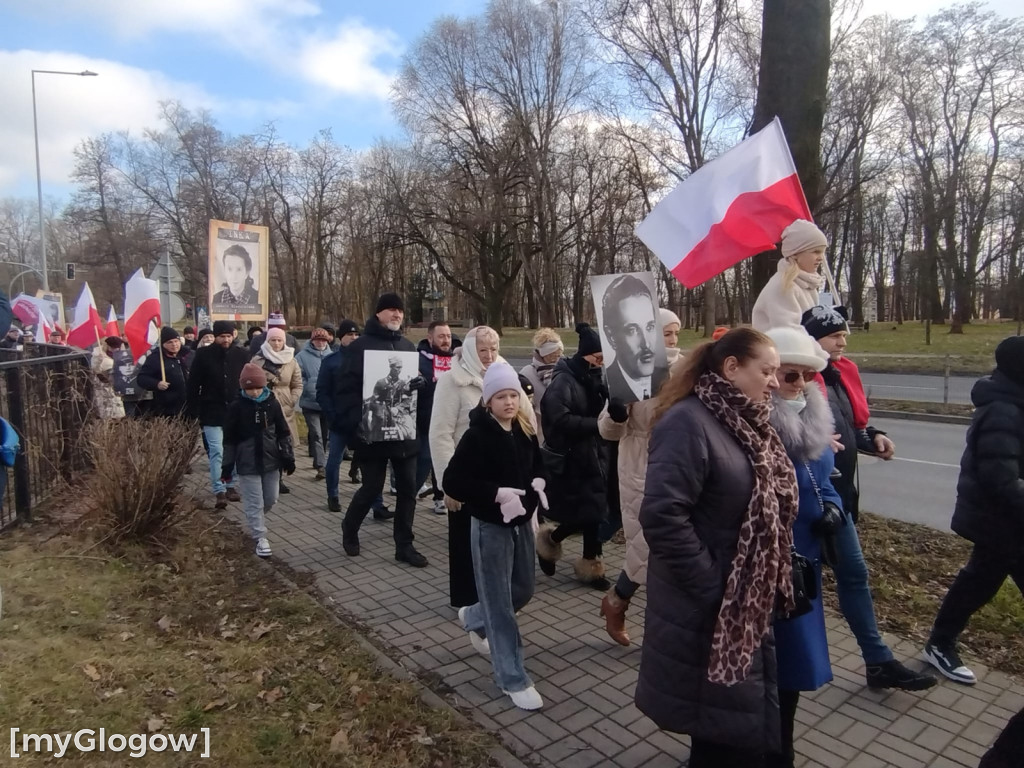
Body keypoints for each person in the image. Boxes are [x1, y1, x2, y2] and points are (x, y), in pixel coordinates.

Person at [635, 327, 795, 767]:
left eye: (778, 372)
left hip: (744, 601)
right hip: (712, 604)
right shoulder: (688, 421)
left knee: (728, 726)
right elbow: (663, 517)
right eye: (766, 371)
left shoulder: (749, 420)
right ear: (731, 367)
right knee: (722, 731)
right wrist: (714, 587)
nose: (774, 382)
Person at [801, 304, 935, 691]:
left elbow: (848, 428)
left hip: (837, 498)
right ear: (811, 340)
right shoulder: (795, 380)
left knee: (854, 575)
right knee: (799, 586)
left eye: (843, 333)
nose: (843, 340)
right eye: (834, 335)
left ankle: (877, 662)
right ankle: (781, 667)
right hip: (804, 502)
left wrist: (872, 437)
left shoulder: (838, 377)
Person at [443, 363, 548, 711]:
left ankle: (474, 616)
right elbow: (453, 482)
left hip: (521, 523)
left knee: (523, 590)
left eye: (513, 395)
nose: (509, 402)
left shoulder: (524, 428)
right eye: (501, 396)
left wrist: (538, 483)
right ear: (488, 401)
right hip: (489, 527)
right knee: (501, 606)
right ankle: (512, 677)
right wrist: (495, 494)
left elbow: (537, 464)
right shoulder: (477, 436)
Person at [923, 336, 1024, 686]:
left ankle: (939, 642)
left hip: (1007, 524)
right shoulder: (1004, 410)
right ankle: (939, 643)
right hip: (1002, 522)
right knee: (977, 582)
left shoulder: (1014, 403)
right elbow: (1001, 477)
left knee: (978, 582)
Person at [763, 327, 838, 768]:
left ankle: (781, 747)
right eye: (789, 375)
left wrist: (832, 508)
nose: (798, 384)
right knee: (763, 665)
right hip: (767, 558)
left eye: (806, 376)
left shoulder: (815, 415)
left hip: (804, 559)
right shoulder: (756, 424)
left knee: (792, 663)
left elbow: (826, 480)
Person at [596, 310, 686, 645]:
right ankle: (659, 635)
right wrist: (617, 411)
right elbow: (607, 430)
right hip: (639, 465)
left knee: (658, 549)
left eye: (675, 333)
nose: (673, 341)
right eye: (666, 334)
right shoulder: (629, 369)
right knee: (648, 547)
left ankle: (616, 601)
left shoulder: (688, 369)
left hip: (679, 463)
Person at [338, 293, 428, 568]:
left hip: (404, 434)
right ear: (378, 314)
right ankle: (350, 527)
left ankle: (404, 545)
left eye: (400, 311)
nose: (396, 315)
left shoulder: (407, 347)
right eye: (391, 310)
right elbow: (347, 392)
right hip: (373, 434)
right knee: (371, 487)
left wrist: (419, 386)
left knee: (408, 490)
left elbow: (413, 390)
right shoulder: (360, 347)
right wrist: (356, 426)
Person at [430, 326, 509, 607]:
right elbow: (440, 434)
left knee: (499, 544)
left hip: (500, 477)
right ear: (472, 351)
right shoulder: (453, 381)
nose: (489, 356)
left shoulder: (505, 374)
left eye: (494, 349)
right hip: (466, 477)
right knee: (466, 543)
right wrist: (447, 483)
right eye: (482, 350)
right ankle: (467, 603)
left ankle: (499, 598)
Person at [536, 323, 611, 588]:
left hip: (596, 454)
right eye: (597, 356)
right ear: (585, 354)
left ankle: (591, 565)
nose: (600, 361)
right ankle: (551, 542)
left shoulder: (595, 375)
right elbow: (558, 418)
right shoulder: (564, 380)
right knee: (587, 513)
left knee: (596, 511)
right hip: (574, 458)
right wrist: (595, 425)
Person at [221, 363, 295, 558]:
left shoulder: (272, 403)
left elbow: (283, 432)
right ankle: (260, 537)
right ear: (242, 388)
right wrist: (227, 467)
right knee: (254, 502)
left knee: (270, 499)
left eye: (257, 387)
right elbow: (229, 440)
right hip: (247, 462)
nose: (254, 392)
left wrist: (288, 456)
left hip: (271, 460)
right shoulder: (236, 407)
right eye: (249, 388)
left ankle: (256, 520)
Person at [186, 320, 251, 509]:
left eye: (229, 336)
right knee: (217, 451)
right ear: (215, 337)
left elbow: (248, 383)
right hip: (211, 410)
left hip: (236, 410)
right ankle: (219, 489)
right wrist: (193, 410)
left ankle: (231, 485)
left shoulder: (242, 355)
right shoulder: (203, 355)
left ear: (234, 335)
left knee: (234, 450)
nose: (226, 339)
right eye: (222, 336)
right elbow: (193, 384)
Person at [318, 320, 377, 511]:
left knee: (371, 463)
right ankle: (332, 496)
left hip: (363, 420)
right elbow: (322, 391)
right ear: (340, 337)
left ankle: (376, 503)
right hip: (340, 420)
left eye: (356, 335)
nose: (353, 338)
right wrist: (332, 415)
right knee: (334, 460)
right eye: (349, 335)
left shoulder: (368, 359)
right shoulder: (331, 361)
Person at [601, 274, 667, 403]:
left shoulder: (667, 380)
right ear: (611, 336)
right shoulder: (603, 387)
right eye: (632, 330)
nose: (646, 344)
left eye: (650, 327)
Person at [752, 219, 828, 331]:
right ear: (796, 253)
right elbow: (790, 335)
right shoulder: (783, 286)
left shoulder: (806, 284)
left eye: (823, 252)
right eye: (816, 251)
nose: (821, 257)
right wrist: (821, 348)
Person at [417, 321, 460, 514]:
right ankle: (409, 492)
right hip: (425, 419)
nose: (446, 341)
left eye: (448, 336)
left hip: (451, 419)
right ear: (430, 338)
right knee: (425, 459)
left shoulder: (458, 361)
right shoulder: (420, 360)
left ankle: (440, 496)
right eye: (441, 336)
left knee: (446, 459)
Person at [250, 327, 302, 458]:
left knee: (285, 440)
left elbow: (297, 384)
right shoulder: (257, 360)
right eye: (273, 340)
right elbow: (249, 382)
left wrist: (292, 400)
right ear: (268, 341)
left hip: (285, 405)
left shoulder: (291, 361)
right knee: (268, 440)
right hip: (264, 403)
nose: (277, 343)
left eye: (279, 340)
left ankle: (282, 469)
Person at [297, 327, 333, 481]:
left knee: (325, 435)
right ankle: (321, 466)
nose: (320, 342)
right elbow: (298, 377)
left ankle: (319, 459)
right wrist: (310, 385)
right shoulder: (301, 357)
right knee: (316, 434)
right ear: (312, 341)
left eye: (323, 340)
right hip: (309, 402)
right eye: (318, 339)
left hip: (327, 402)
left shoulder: (332, 356)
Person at [519, 328, 563, 445]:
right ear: (542, 354)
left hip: (562, 427)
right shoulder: (527, 373)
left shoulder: (563, 370)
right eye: (552, 355)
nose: (556, 359)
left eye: (559, 355)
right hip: (538, 429)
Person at [137, 327, 190, 418]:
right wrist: (157, 384)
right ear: (163, 344)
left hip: (188, 406)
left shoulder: (188, 355)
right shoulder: (156, 358)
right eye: (169, 342)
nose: (174, 345)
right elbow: (142, 378)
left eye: (176, 341)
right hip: (167, 408)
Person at [212, 244, 261, 312]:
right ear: (224, 271)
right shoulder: (216, 299)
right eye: (229, 269)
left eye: (239, 269)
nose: (234, 276)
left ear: (246, 273)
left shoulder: (258, 298)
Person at [91, 336, 126, 420]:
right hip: (104, 386)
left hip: (117, 384)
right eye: (113, 347)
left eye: (117, 348)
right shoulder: (98, 355)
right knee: (107, 410)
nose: (115, 350)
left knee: (119, 409)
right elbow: (95, 369)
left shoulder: (122, 354)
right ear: (108, 346)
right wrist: (98, 363)